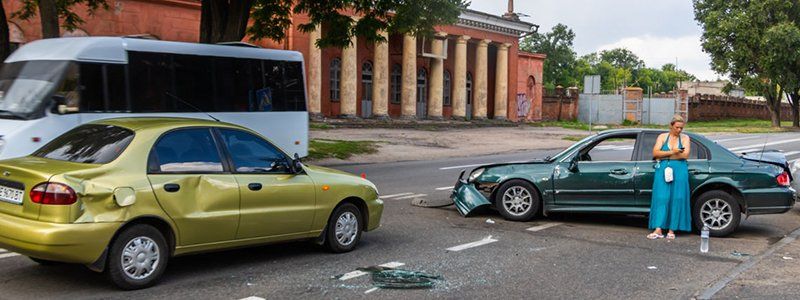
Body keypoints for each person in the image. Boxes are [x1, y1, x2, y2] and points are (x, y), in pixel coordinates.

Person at [647, 115, 692, 240]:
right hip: (663, 170)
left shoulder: (685, 138)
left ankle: (672, 229)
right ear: (671, 126)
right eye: (677, 127)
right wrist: (673, 152)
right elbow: (655, 153)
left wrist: (663, 155)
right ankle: (658, 228)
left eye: (681, 128)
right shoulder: (662, 137)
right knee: (662, 197)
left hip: (680, 170)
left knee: (677, 198)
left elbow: (685, 155)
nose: (679, 130)